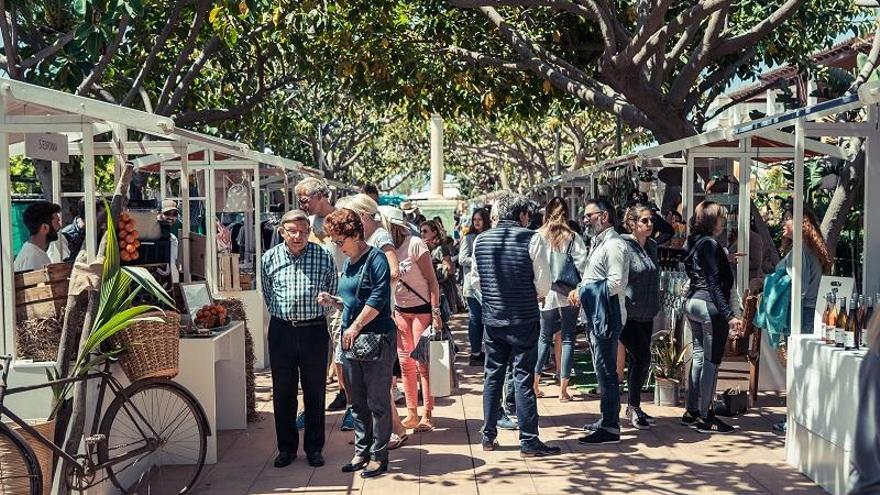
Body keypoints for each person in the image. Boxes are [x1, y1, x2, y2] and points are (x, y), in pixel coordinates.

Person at [471, 192, 560, 457]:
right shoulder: (532, 238)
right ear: (522, 215)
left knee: (492, 376)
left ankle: (488, 436)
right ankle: (529, 441)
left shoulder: (481, 241)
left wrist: (494, 298)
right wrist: (531, 294)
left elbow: (476, 282)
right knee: (522, 377)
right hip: (524, 319)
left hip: (493, 319)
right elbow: (543, 283)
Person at [318, 208, 396, 478]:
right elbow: (354, 300)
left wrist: (355, 326)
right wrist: (335, 301)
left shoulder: (376, 259)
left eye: (340, 241)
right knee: (357, 402)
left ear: (355, 234)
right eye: (335, 242)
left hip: (376, 339)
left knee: (377, 401)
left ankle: (379, 455)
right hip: (352, 339)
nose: (338, 246)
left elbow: (378, 298)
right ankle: (362, 451)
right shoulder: (350, 262)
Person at [261, 209, 338, 468]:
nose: (298, 236)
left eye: (303, 232)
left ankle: (314, 449)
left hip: (314, 332)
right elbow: (268, 294)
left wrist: (322, 308)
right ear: (282, 231)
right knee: (283, 393)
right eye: (293, 231)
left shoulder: (323, 256)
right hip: (282, 331)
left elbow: (332, 291)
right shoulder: (269, 258)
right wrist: (285, 315)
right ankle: (286, 449)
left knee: (315, 392)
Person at [336, 194, 407, 446]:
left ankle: (389, 434)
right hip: (361, 321)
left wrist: (371, 296)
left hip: (373, 324)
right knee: (367, 386)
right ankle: (376, 436)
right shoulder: (362, 244)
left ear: (361, 216)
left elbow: (394, 271)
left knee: (377, 388)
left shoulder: (378, 240)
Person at [295, 178, 354, 431]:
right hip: (313, 300)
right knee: (311, 357)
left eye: (305, 200)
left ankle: (352, 406)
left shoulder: (342, 219)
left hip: (339, 299)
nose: (302, 205)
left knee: (341, 356)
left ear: (320, 196)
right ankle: (311, 408)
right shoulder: (307, 226)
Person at [570, 198, 630, 445]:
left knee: (607, 371)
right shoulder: (599, 243)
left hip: (608, 314)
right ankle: (607, 417)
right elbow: (595, 278)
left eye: (589, 215)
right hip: (597, 313)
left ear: (603, 216)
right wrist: (581, 288)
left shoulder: (614, 245)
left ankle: (610, 427)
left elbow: (615, 283)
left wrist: (583, 291)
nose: (585, 219)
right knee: (601, 369)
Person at [767, 206, 832, 433]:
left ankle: (795, 420)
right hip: (806, 312)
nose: (783, 224)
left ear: (799, 224)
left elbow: (800, 288)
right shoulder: (806, 249)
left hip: (800, 314)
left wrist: (774, 281)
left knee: (799, 369)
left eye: (787, 219)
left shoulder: (800, 251)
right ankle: (797, 417)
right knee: (801, 368)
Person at [681, 201, 743, 434]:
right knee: (711, 363)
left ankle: (692, 411)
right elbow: (714, 282)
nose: (723, 222)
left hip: (692, 303)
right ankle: (707, 416)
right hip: (709, 306)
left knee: (699, 357)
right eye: (720, 218)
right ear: (711, 221)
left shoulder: (693, 241)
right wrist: (729, 315)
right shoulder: (710, 244)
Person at [381, 205, 443, 434]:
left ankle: (427, 413)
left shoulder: (416, 244)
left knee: (423, 364)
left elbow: (432, 281)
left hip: (422, 310)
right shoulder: (384, 249)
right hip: (399, 312)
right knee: (405, 364)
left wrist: (436, 313)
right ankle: (412, 413)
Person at [533, 197, 588, 402]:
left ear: (547, 212)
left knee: (543, 338)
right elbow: (583, 266)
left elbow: (532, 263)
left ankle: (534, 384)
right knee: (567, 339)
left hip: (545, 292)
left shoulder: (538, 235)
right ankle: (563, 390)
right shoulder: (573, 237)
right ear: (566, 213)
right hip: (569, 292)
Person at [620, 205, 661, 430]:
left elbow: (668, 231)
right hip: (628, 313)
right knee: (642, 357)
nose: (650, 224)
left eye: (651, 220)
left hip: (647, 312)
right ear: (633, 224)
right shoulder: (624, 247)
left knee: (639, 361)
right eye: (644, 221)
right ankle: (633, 406)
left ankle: (633, 405)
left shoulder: (653, 246)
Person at [460, 208, 491, 365]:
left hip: (488, 284)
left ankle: (486, 351)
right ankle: (475, 352)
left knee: (487, 319)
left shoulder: (490, 236)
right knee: (475, 318)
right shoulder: (469, 238)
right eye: (474, 219)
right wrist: (479, 260)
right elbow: (462, 259)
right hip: (472, 286)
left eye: (479, 219)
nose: (477, 222)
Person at [420, 220, 457, 316]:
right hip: (429, 289)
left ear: (434, 232)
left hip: (441, 289)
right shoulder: (424, 247)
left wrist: (434, 267)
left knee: (441, 318)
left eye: (425, 231)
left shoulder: (441, 249)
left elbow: (449, 269)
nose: (422, 234)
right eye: (421, 231)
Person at [14, 201, 62, 272]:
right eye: (57, 222)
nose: (60, 226)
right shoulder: (32, 258)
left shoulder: (35, 253)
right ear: (44, 228)